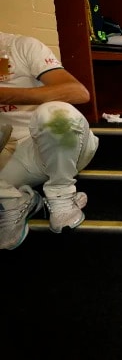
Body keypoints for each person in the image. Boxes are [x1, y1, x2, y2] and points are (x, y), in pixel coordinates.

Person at [0, 32, 98, 250]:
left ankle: (61, 193)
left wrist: (4, 95)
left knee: (56, 114)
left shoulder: (20, 46)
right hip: (8, 160)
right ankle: (12, 200)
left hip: (54, 147)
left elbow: (77, 92)